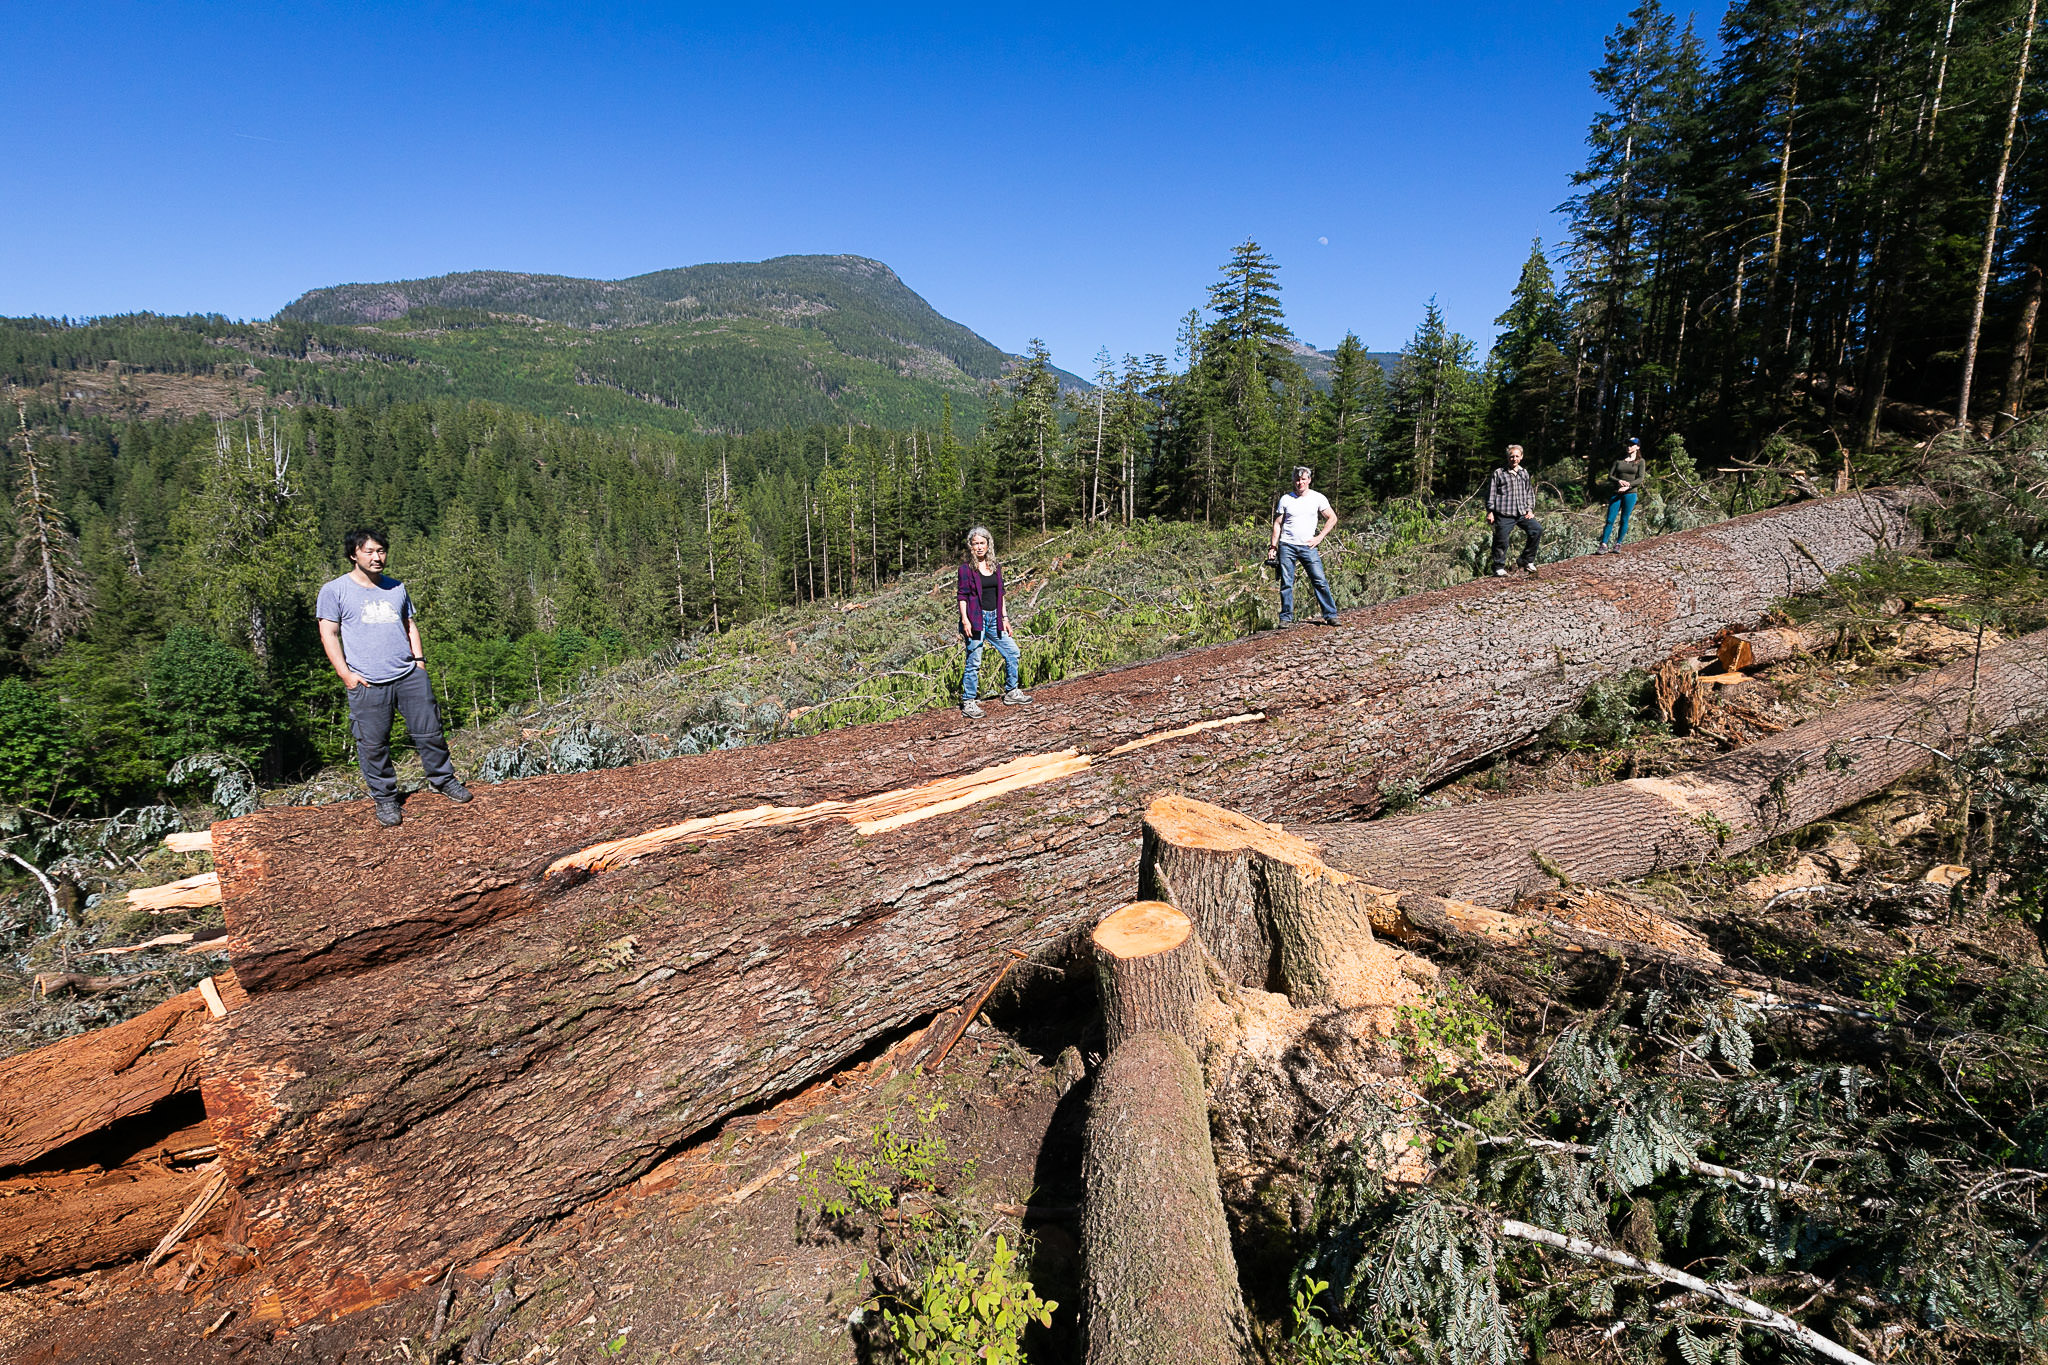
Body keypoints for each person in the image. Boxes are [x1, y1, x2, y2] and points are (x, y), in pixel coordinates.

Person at [316, 529, 471, 827]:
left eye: (381, 551)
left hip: (408, 675)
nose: (377, 557)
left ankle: (443, 780)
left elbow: (409, 624)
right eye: (369, 551)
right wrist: (346, 674)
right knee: (373, 745)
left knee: (430, 732)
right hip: (367, 682)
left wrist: (419, 662)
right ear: (353, 555)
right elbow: (329, 634)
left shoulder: (396, 587)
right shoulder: (334, 590)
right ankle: (386, 798)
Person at [957, 525, 1031, 719]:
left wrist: (1005, 618)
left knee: (1013, 652)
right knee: (974, 661)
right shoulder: (965, 569)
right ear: (971, 546)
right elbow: (962, 596)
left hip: (994, 618)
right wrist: (965, 620)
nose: (979, 547)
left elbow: (1001, 594)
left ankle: (1012, 691)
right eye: (975, 544)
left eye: (982, 543)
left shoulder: (995, 567)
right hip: (975, 620)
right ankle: (969, 701)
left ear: (988, 544)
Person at [1268, 466, 1340, 626]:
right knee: (1286, 583)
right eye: (1297, 479)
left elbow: (1332, 518)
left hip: (1308, 546)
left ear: (1309, 480)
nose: (1300, 482)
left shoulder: (1318, 498)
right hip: (1287, 545)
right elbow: (1278, 524)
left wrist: (1319, 537)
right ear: (1294, 481)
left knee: (1319, 580)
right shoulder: (1286, 499)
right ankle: (1286, 618)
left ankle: (1330, 615)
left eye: (1303, 479)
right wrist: (1273, 547)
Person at [1486, 444, 1543, 576]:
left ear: (1521, 457)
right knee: (1501, 540)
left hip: (1522, 513)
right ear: (1508, 457)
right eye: (1512, 456)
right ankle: (1498, 567)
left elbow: (1529, 492)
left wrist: (1530, 509)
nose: (1514, 459)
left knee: (1537, 530)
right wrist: (1490, 511)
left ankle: (1526, 560)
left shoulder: (1524, 473)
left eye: (1517, 456)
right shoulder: (1499, 473)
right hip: (1504, 513)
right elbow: (1491, 493)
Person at [1597, 436, 1647, 553]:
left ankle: (1618, 544)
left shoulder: (1641, 461)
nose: (1629, 447)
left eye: (1632, 445)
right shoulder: (1619, 460)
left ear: (1637, 447)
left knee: (1624, 519)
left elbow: (1640, 478)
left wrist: (1628, 486)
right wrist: (1618, 481)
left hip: (1630, 494)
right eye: (1628, 444)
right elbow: (1610, 476)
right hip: (1616, 493)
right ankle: (1603, 544)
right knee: (1610, 519)